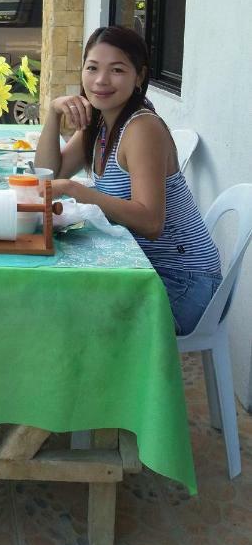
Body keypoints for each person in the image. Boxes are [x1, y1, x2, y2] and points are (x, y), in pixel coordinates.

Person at [35, 25, 221, 335]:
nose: (101, 80)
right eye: (92, 68)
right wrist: (54, 114)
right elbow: (48, 176)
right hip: (145, 269)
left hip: (182, 282)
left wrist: (77, 191)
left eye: (117, 70)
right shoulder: (102, 122)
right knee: (55, 299)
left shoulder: (141, 128)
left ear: (139, 76)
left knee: (66, 316)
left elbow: (151, 222)